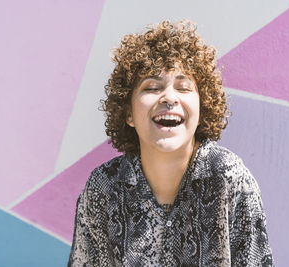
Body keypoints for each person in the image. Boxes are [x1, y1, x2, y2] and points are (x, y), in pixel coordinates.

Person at [68, 20, 274, 266]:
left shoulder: (230, 178)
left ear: (203, 107)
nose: (169, 98)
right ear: (128, 113)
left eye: (184, 87)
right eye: (152, 87)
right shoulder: (104, 187)